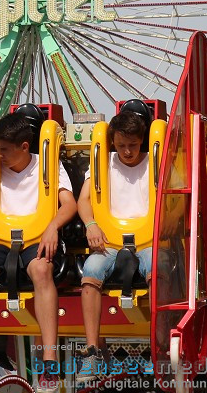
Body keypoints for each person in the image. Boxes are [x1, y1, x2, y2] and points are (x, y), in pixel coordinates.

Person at [0, 112, 77, 393]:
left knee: (41, 269)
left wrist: (53, 227)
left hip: (37, 237)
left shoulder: (48, 166)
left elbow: (68, 204)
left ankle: (48, 361)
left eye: (4, 150)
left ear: (25, 147)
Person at [74, 110, 152, 384]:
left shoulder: (156, 161)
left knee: (159, 270)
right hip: (110, 240)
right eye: (121, 146)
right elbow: (84, 199)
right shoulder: (101, 163)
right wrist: (91, 224)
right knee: (91, 271)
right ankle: (93, 351)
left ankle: (160, 345)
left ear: (142, 139)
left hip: (147, 239)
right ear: (112, 143)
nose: (127, 151)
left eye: (133, 145)